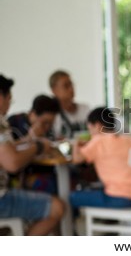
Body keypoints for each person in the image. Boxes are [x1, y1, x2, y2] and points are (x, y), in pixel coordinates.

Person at [0, 74, 64, 235]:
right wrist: (37, 147)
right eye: (9, 99)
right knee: (57, 207)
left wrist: (28, 140)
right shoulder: (5, 123)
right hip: (3, 197)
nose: (9, 104)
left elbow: (7, 149)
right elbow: (12, 163)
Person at [70, 107, 131, 209]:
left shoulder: (98, 141)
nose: (90, 133)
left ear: (97, 126)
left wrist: (76, 144)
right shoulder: (127, 140)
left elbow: (76, 159)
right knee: (99, 190)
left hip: (118, 198)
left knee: (72, 197)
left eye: (90, 129)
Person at [7, 95, 60, 194]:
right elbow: (8, 152)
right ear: (33, 114)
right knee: (55, 185)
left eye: (51, 123)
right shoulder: (13, 123)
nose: (47, 127)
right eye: (44, 123)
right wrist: (29, 138)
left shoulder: (48, 130)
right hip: (20, 175)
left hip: (45, 170)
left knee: (70, 178)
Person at [49, 70, 90, 139]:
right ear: (54, 90)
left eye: (71, 84)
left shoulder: (85, 109)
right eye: (66, 86)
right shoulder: (52, 116)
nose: (71, 89)